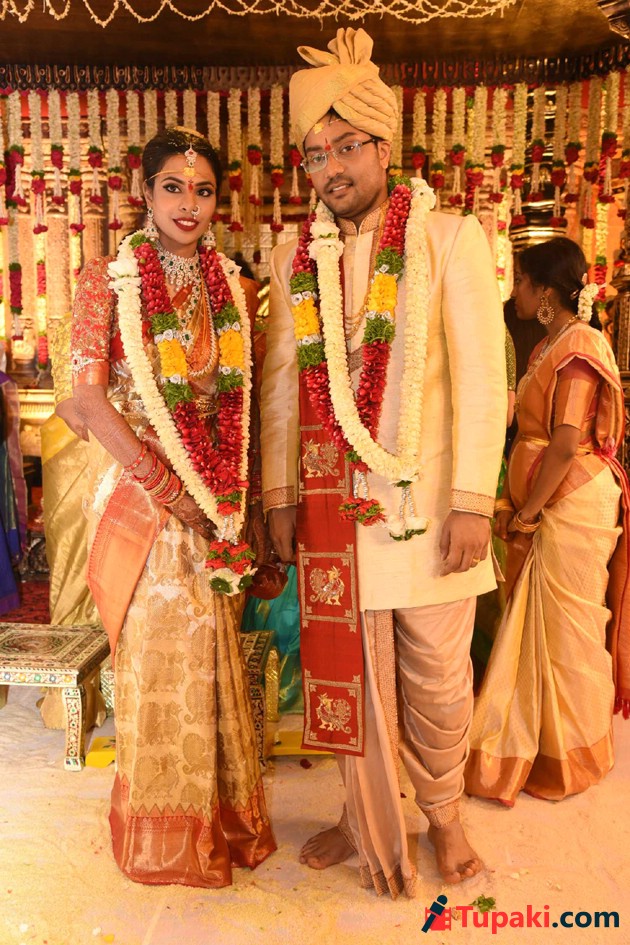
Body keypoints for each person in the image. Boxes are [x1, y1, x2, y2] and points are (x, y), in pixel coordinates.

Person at [260, 28, 506, 895]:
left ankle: (445, 814)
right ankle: (357, 810)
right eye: (314, 153)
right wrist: (279, 496)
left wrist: (473, 498)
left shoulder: (449, 237)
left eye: (346, 146)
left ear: (383, 145)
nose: (329, 167)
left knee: (437, 679)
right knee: (344, 672)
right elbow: (281, 386)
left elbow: (483, 376)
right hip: (333, 513)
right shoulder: (293, 257)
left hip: (428, 507)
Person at [71, 127, 276, 886]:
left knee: (212, 659)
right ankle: (163, 835)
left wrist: (237, 504)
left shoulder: (236, 291)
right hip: (146, 505)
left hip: (217, 506)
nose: (189, 204)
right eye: (173, 187)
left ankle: (220, 819)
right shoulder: (107, 280)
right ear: (145, 192)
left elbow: (243, 408)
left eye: (203, 190)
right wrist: (167, 488)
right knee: (159, 663)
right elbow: (87, 401)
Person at [466, 237, 630, 805]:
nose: (513, 290)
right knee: (543, 629)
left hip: (570, 504)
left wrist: (529, 512)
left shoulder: (578, 345)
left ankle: (571, 755)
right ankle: (537, 742)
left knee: (567, 633)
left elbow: (563, 443)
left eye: (519, 280)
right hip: (551, 500)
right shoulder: (549, 343)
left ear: (545, 291)